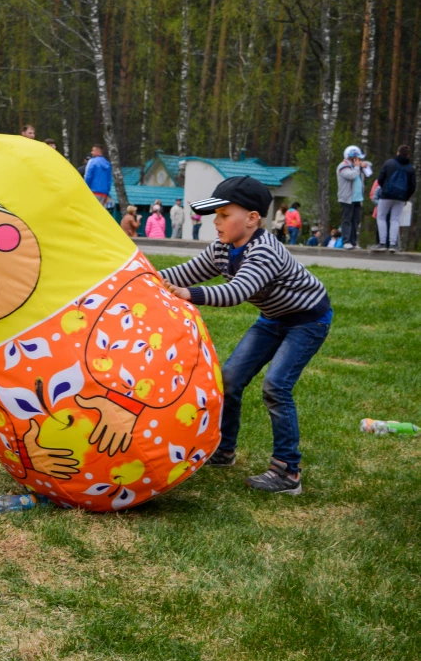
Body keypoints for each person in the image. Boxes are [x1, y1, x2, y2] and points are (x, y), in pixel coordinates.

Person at [160, 175, 331, 495]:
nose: (216, 222)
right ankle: (224, 451)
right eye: (215, 215)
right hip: (273, 318)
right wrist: (144, 276)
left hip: (307, 321)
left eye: (224, 215)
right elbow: (184, 272)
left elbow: (237, 292)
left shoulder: (264, 250)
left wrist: (187, 294)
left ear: (252, 219)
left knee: (276, 386)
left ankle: (287, 473)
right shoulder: (222, 248)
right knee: (230, 378)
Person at [371, 145, 417, 252]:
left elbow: (380, 179)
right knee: (395, 220)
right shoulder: (410, 168)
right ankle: (392, 244)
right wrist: (406, 197)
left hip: (386, 195)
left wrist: (385, 189)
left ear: (398, 152)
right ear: (408, 154)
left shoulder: (389, 163)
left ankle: (382, 243)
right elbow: (413, 186)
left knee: (381, 217)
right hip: (401, 197)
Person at [337, 145, 371, 249]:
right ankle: (346, 241)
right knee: (347, 220)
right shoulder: (343, 166)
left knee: (355, 221)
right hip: (347, 198)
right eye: (357, 158)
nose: (359, 160)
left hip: (357, 198)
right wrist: (357, 167)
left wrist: (362, 166)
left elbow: (369, 171)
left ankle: (353, 241)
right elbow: (351, 176)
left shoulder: (356, 167)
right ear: (351, 157)